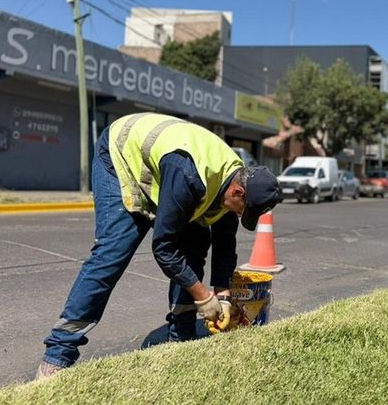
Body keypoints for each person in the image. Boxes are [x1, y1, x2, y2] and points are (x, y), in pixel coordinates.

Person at [36, 113, 280, 380]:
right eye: (242, 210)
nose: (238, 216)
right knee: (112, 253)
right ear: (238, 193)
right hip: (121, 156)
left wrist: (222, 298)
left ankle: (182, 335)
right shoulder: (190, 175)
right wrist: (202, 296)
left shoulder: (233, 182)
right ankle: (58, 354)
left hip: (168, 171)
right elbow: (164, 247)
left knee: (195, 246)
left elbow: (225, 247)